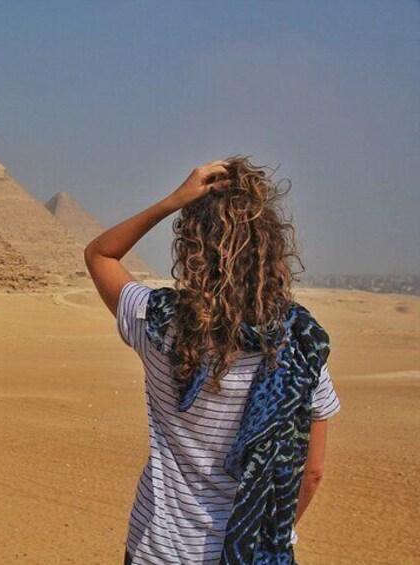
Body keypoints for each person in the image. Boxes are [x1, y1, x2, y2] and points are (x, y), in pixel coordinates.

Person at [83, 156, 341, 564]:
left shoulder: (158, 323)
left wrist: (173, 201)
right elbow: (312, 474)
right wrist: (275, 535)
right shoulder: (301, 346)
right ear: (271, 248)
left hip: (157, 549)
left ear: (191, 247)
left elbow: (100, 254)